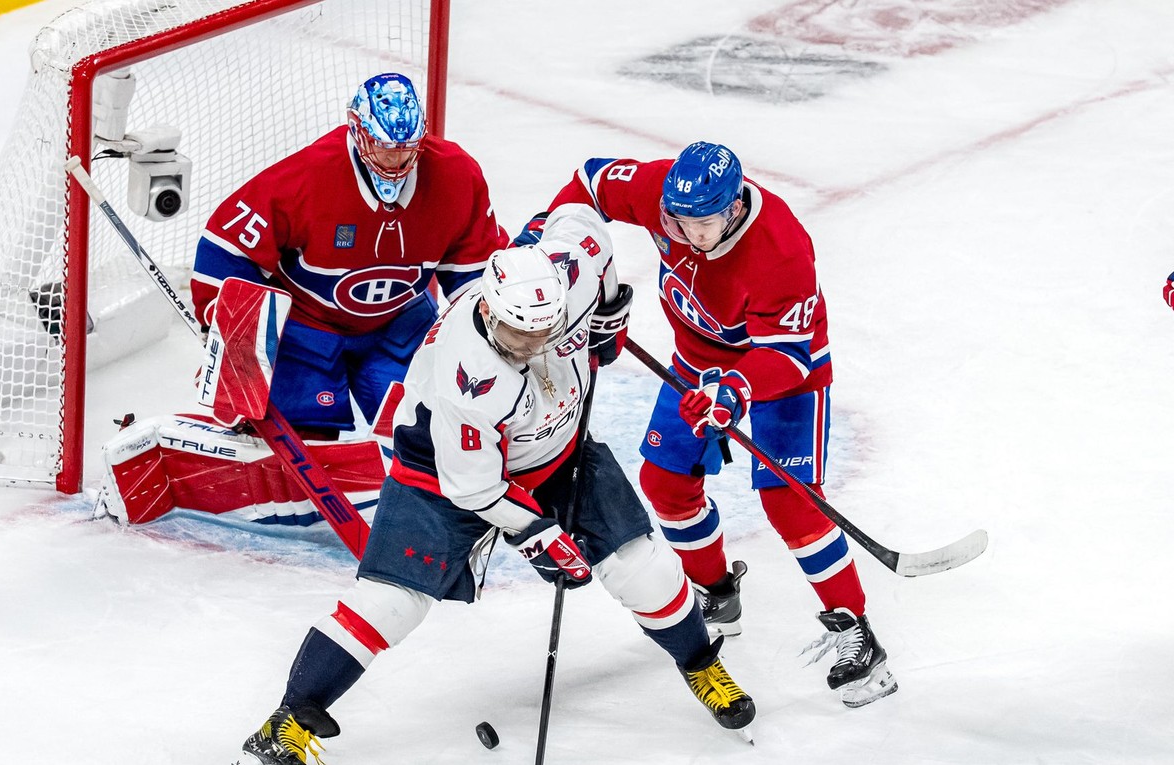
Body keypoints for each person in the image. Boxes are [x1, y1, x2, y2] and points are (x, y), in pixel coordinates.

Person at [234, 205, 755, 765]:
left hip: (555, 451)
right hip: (442, 475)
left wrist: (607, 313)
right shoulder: (471, 378)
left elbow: (580, 216)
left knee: (641, 564)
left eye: (543, 333)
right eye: (516, 334)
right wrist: (540, 534)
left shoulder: (568, 274)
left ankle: (702, 664)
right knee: (391, 602)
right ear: (488, 306)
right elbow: (475, 489)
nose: (530, 346)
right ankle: (287, 722)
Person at [519, 142, 897, 709]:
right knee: (665, 485)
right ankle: (718, 592)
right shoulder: (664, 194)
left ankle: (855, 632)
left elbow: (789, 353)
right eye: (675, 220)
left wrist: (736, 389)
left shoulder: (781, 249)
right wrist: (549, 244)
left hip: (781, 376)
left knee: (789, 503)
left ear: (734, 208)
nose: (683, 232)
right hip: (696, 364)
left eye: (700, 224)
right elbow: (591, 182)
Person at [94, 73, 508, 529]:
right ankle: (186, 448)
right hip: (309, 329)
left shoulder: (456, 175)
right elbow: (225, 249)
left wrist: (484, 336)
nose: (394, 160)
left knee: (428, 430)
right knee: (295, 445)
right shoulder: (307, 176)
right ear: (357, 129)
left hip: (399, 323)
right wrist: (232, 335)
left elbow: (475, 270)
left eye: (405, 148)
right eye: (383, 145)